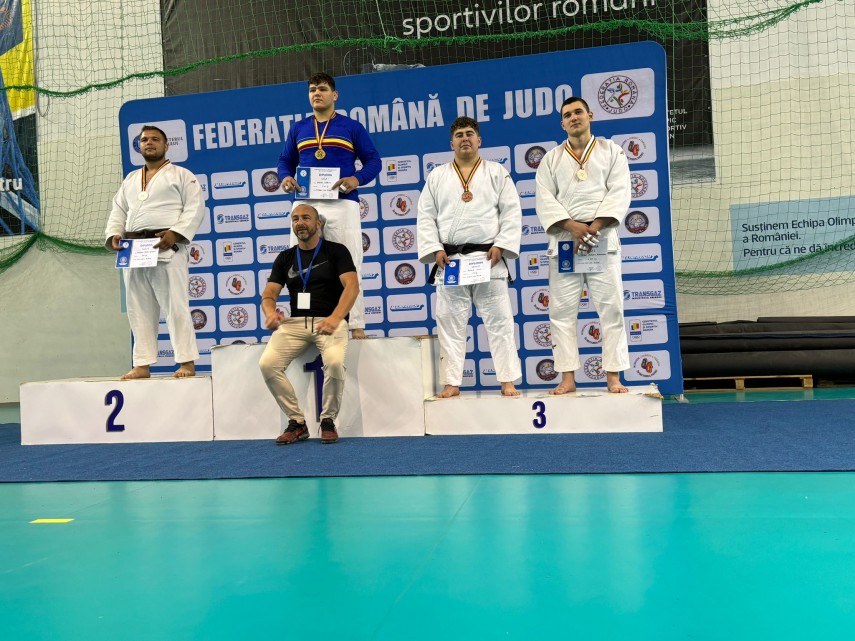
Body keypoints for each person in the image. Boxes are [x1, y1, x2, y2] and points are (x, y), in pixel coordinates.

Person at [417, 116, 523, 398]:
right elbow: (426, 216)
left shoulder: (497, 172)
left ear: (479, 140)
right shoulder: (437, 176)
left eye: (469, 134)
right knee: (450, 323)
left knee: (500, 322)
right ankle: (452, 382)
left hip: (489, 258)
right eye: (459, 135)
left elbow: (511, 211)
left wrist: (502, 244)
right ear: (451, 143)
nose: (465, 138)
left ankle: (507, 380)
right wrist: (435, 248)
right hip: (451, 261)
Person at [535, 96, 632, 394]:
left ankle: (613, 376)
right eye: (568, 115)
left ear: (590, 116)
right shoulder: (550, 159)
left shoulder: (612, 151)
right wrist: (573, 227)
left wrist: (594, 227)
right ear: (562, 123)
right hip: (566, 240)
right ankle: (567, 378)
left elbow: (620, 191)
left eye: (578, 112)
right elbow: (545, 199)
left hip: (602, 238)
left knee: (611, 310)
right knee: (561, 313)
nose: (574, 117)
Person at [277, 72, 381, 340]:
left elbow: (373, 161)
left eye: (322, 89)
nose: (317, 93)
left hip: (342, 202)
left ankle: (355, 324)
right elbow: (285, 161)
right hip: (305, 202)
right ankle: (302, 321)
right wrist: (285, 177)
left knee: (350, 262)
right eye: (312, 89)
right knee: (299, 263)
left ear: (334, 95)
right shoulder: (299, 128)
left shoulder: (351, 127)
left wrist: (356, 179)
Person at [105, 125, 205, 380]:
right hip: (133, 247)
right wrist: (114, 233)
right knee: (138, 307)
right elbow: (118, 211)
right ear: (139, 146)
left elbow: (195, 207)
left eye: (155, 139)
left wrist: (176, 233)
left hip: (165, 246)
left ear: (166, 145)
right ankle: (142, 364)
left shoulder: (182, 175)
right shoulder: (130, 179)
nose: (149, 143)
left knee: (175, 306)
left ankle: (186, 361)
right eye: (144, 140)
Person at [258, 204, 359, 445]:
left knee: (334, 363)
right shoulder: (285, 257)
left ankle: (328, 420)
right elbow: (269, 294)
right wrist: (270, 313)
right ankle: (297, 422)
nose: (300, 223)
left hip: (330, 321)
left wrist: (336, 317)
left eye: (306, 218)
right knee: (267, 364)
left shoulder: (336, 251)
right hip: (295, 323)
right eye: (295, 219)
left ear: (318, 224)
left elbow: (352, 287)